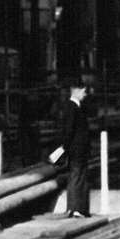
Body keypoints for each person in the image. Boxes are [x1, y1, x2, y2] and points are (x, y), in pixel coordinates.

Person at [52, 79, 91, 218]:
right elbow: (69, 130)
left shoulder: (76, 106)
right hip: (76, 149)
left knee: (78, 176)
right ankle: (75, 208)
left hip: (78, 149)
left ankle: (77, 208)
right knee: (77, 176)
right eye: (84, 91)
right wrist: (66, 148)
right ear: (78, 91)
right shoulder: (72, 107)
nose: (85, 94)